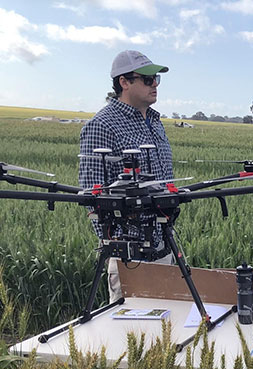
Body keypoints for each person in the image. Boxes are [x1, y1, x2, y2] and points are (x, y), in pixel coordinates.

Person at [78, 50, 173, 302]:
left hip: (165, 247)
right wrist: (117, 245)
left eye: (156, 80)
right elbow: (91, 192)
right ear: (124, 82)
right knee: (130, 330)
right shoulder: (102, 125)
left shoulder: (154, 122)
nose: (155, 85)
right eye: (147, 79)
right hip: (130, 257)